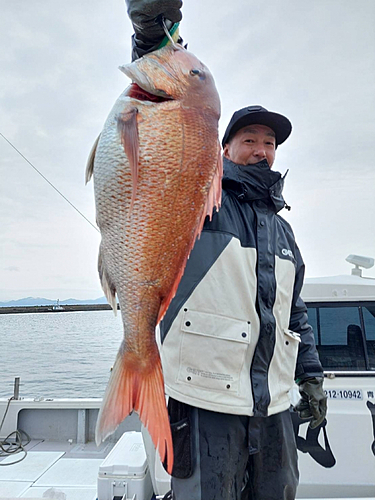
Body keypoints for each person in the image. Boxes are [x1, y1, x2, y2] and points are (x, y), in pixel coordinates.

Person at [125, 2, 327, 499]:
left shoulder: (284, 233)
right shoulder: (200, 204)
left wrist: (313, 380)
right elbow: (163, 108)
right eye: (249, 139)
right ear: (223, 148)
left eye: (269, 143)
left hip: (275, 407)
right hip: (205, 403)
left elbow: (293, 315)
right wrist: (154, 34)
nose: (261, 150)